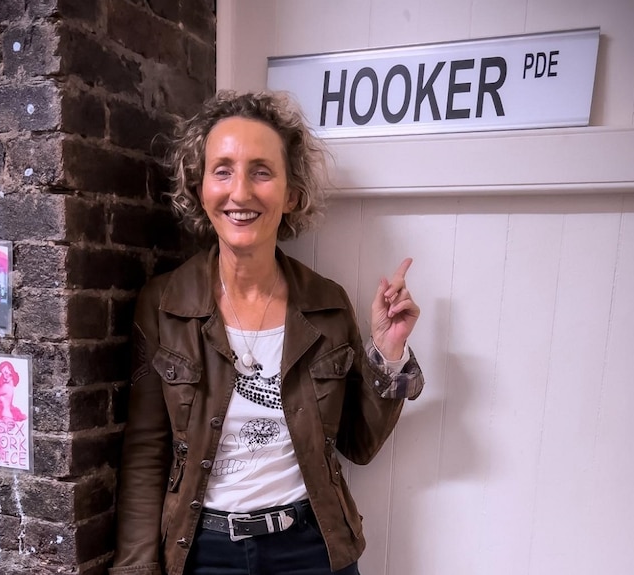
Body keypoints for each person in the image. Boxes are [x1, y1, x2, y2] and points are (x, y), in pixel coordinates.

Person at [111, 91, 425, 575]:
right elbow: (145, 454)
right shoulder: (164, 304)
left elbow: (359, 445)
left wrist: (388, 351)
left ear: (291, 193)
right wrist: (134, 569)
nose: (240, 192)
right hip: (203, 553)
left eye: (262, 171)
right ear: (199, 188)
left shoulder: (326, 304)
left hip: (313, 548)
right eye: (222, 170)